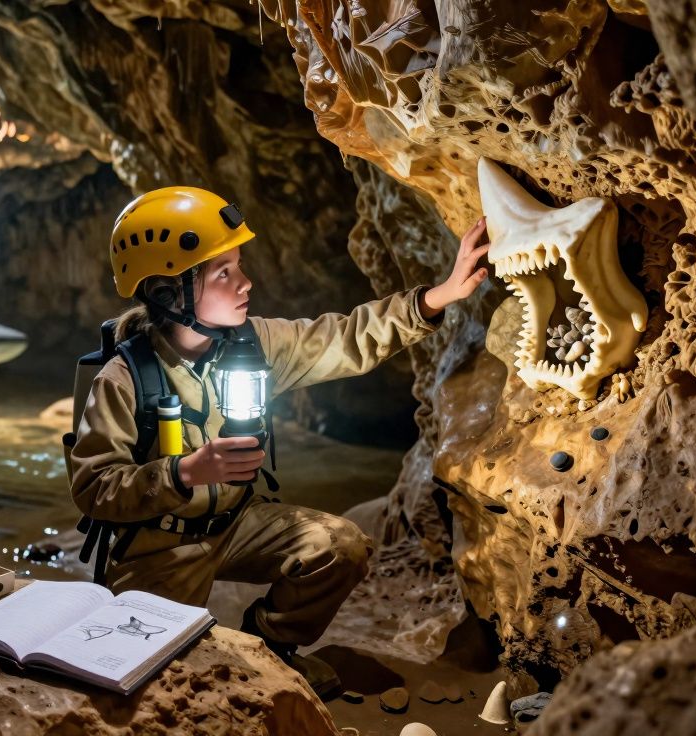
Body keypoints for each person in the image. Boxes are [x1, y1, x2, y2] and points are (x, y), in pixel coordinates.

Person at [66, 186, 489, 695]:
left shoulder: (255, 343)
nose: (246, 283)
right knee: (150, 674)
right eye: (224, 272)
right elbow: (94, 489)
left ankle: (269, 647)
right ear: (168, 293)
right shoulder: (123, 378)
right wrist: (183, 473)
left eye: (238, 265)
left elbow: (344, 338)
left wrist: (437, 297)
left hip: (237, 522)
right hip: (160, 545)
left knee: (341, 546)